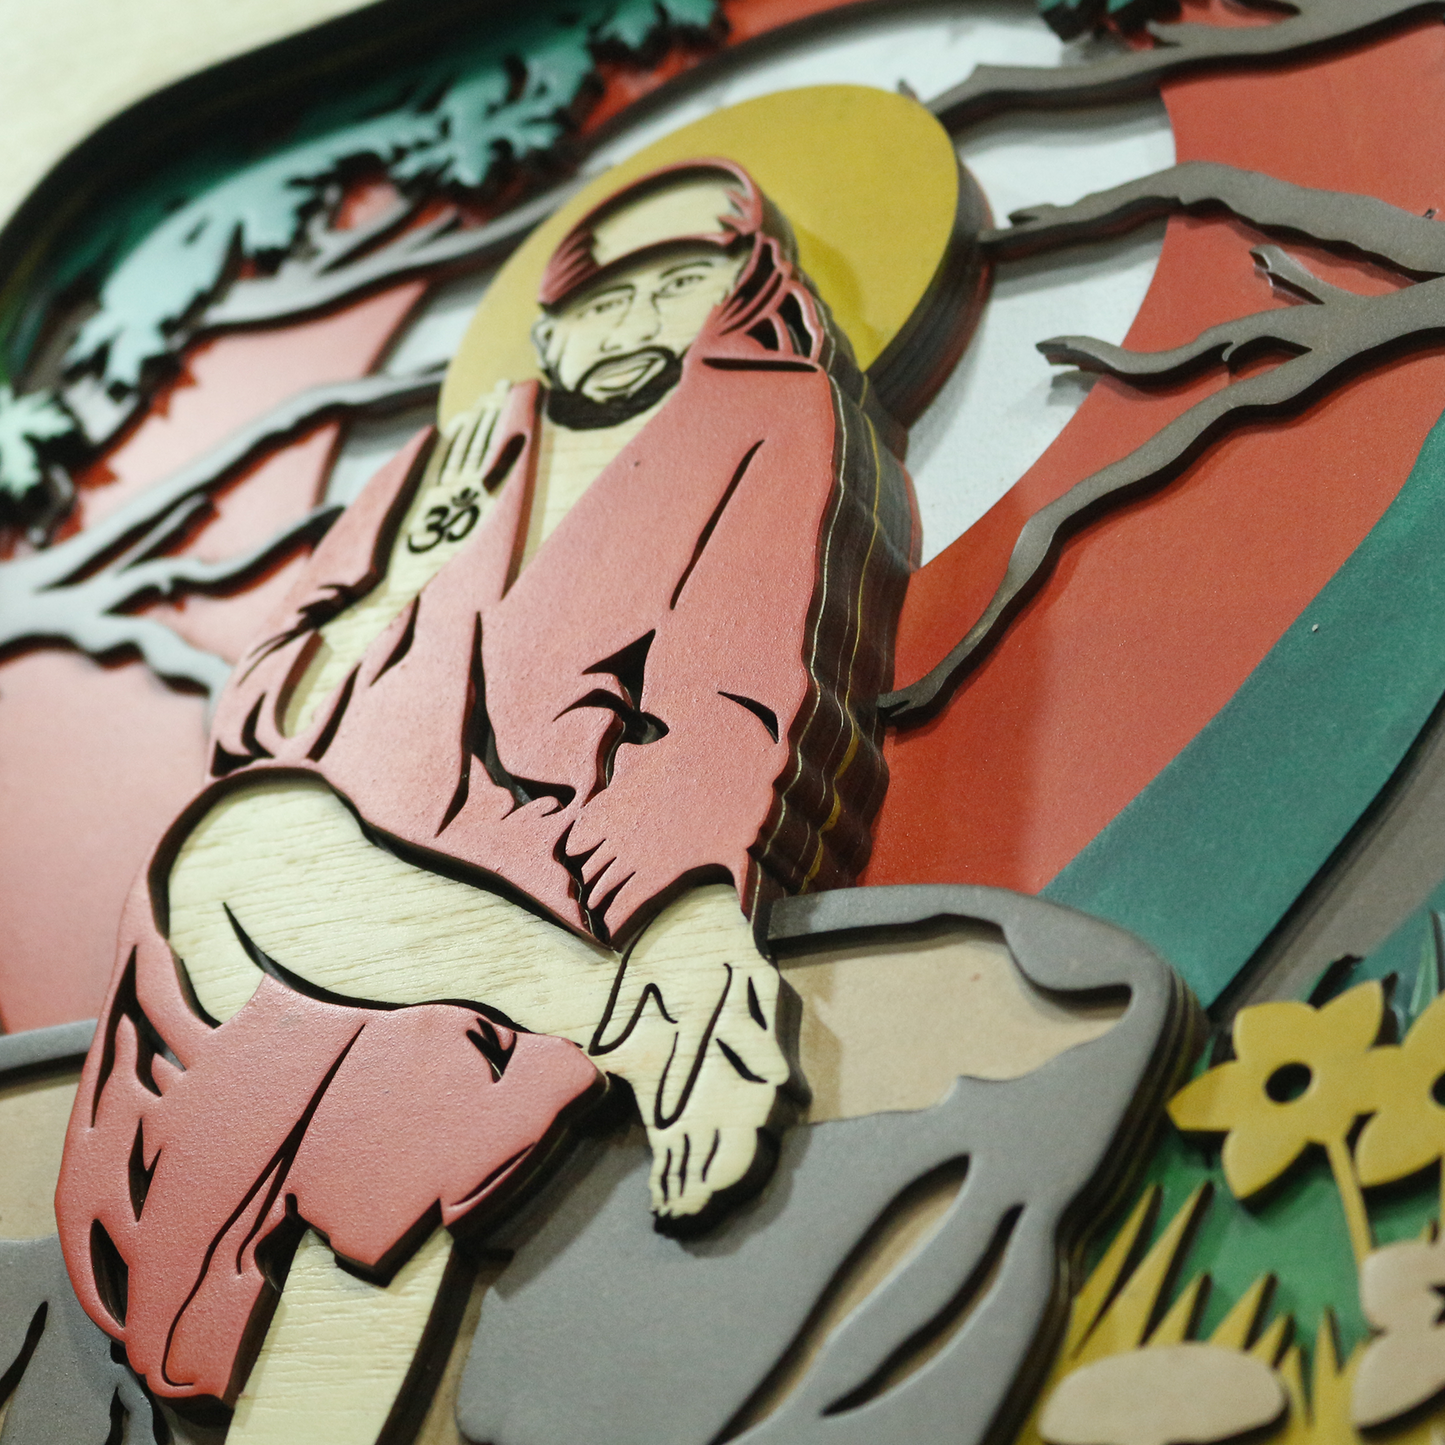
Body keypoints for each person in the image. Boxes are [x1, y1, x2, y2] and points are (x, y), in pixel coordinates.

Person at [56, 159, 916, 1420]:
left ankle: (592, 999)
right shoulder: (443, 459)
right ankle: (622, 1018)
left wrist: (683, 908)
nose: (631, 323)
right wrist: (409, 573)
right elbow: (265, 716)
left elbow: (732, 684)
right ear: (550, 329)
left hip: (548, 888)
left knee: (394, 1126)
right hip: (322, 903)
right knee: (244, 846)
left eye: (675, 285)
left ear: (743, 289)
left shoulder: (766, 420)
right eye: (601, 303)